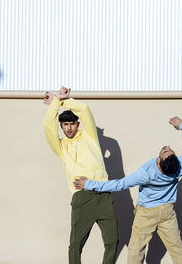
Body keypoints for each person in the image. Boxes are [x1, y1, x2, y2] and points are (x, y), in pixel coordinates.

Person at [74, 117, 182, 264]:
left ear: (160, 161)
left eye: (166, 152)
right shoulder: (180, 166)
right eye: (170, 151)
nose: (168, 148)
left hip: (146, 214)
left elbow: (119, 184)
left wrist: (89, 184)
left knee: (135, 251)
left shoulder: (146, 174)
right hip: (168, 213)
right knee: (178, 250)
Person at [43, 87, 119, 264]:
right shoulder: (61, 147)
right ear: (61, 126)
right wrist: (55, 104)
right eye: (65, 125)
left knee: (112, 240)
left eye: (72, 124)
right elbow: (48, 127)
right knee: (76, 244)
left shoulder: (89, 137)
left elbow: (84, 110)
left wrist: (62, 99)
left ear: (78, 124)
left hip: (103, 195)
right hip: (82, 198)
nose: (69, 128)